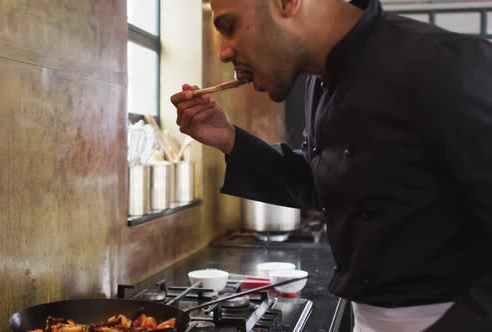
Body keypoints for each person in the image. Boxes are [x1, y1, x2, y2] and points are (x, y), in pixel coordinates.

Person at [170, 0, 492, 331]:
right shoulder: (319, 81)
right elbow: (325, 182)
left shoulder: (445, 63)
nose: (223, 52)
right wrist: (230, 139)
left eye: (229, 26)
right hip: (366, 319)